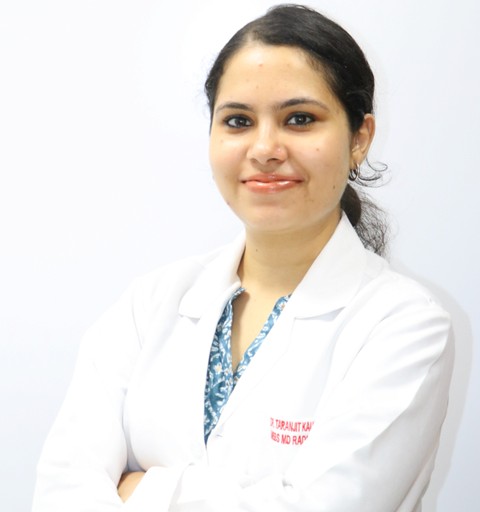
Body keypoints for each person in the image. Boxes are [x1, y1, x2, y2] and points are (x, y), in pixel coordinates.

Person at [32, 4, 454, 511]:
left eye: (300, 119)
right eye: (238, 121)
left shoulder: (404, 326)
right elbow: (61, 490)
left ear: (359, 137)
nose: (265, 148)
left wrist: (144, 490)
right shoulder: (149, 305)